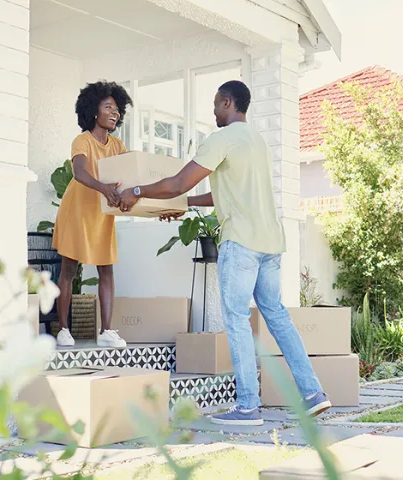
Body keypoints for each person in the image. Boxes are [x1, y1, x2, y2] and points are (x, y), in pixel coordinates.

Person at [118, 80, 331, 425]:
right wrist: (182, 205)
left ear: (228, 103)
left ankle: (248, 406)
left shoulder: (222, 138)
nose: (214, 111)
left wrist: (138, 191)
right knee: (277, 317)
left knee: (235, 320)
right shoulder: (256, 142)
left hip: (242, 243)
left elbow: (178, 181)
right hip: (271, 245)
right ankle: (313, 393)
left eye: (216, 104)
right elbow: (219, 194)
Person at [52, 81, 132, 348]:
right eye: (108, 106)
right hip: (77, 211)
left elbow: (133, 172)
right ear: (93, 111)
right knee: (69, 269)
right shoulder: (82, 140)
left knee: (106, 269)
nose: (115, 112)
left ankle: (107, 330)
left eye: (117, 108)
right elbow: (79, 172)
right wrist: (103, 188)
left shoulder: (117, 145)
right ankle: (63, 328)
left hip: (102, 213)